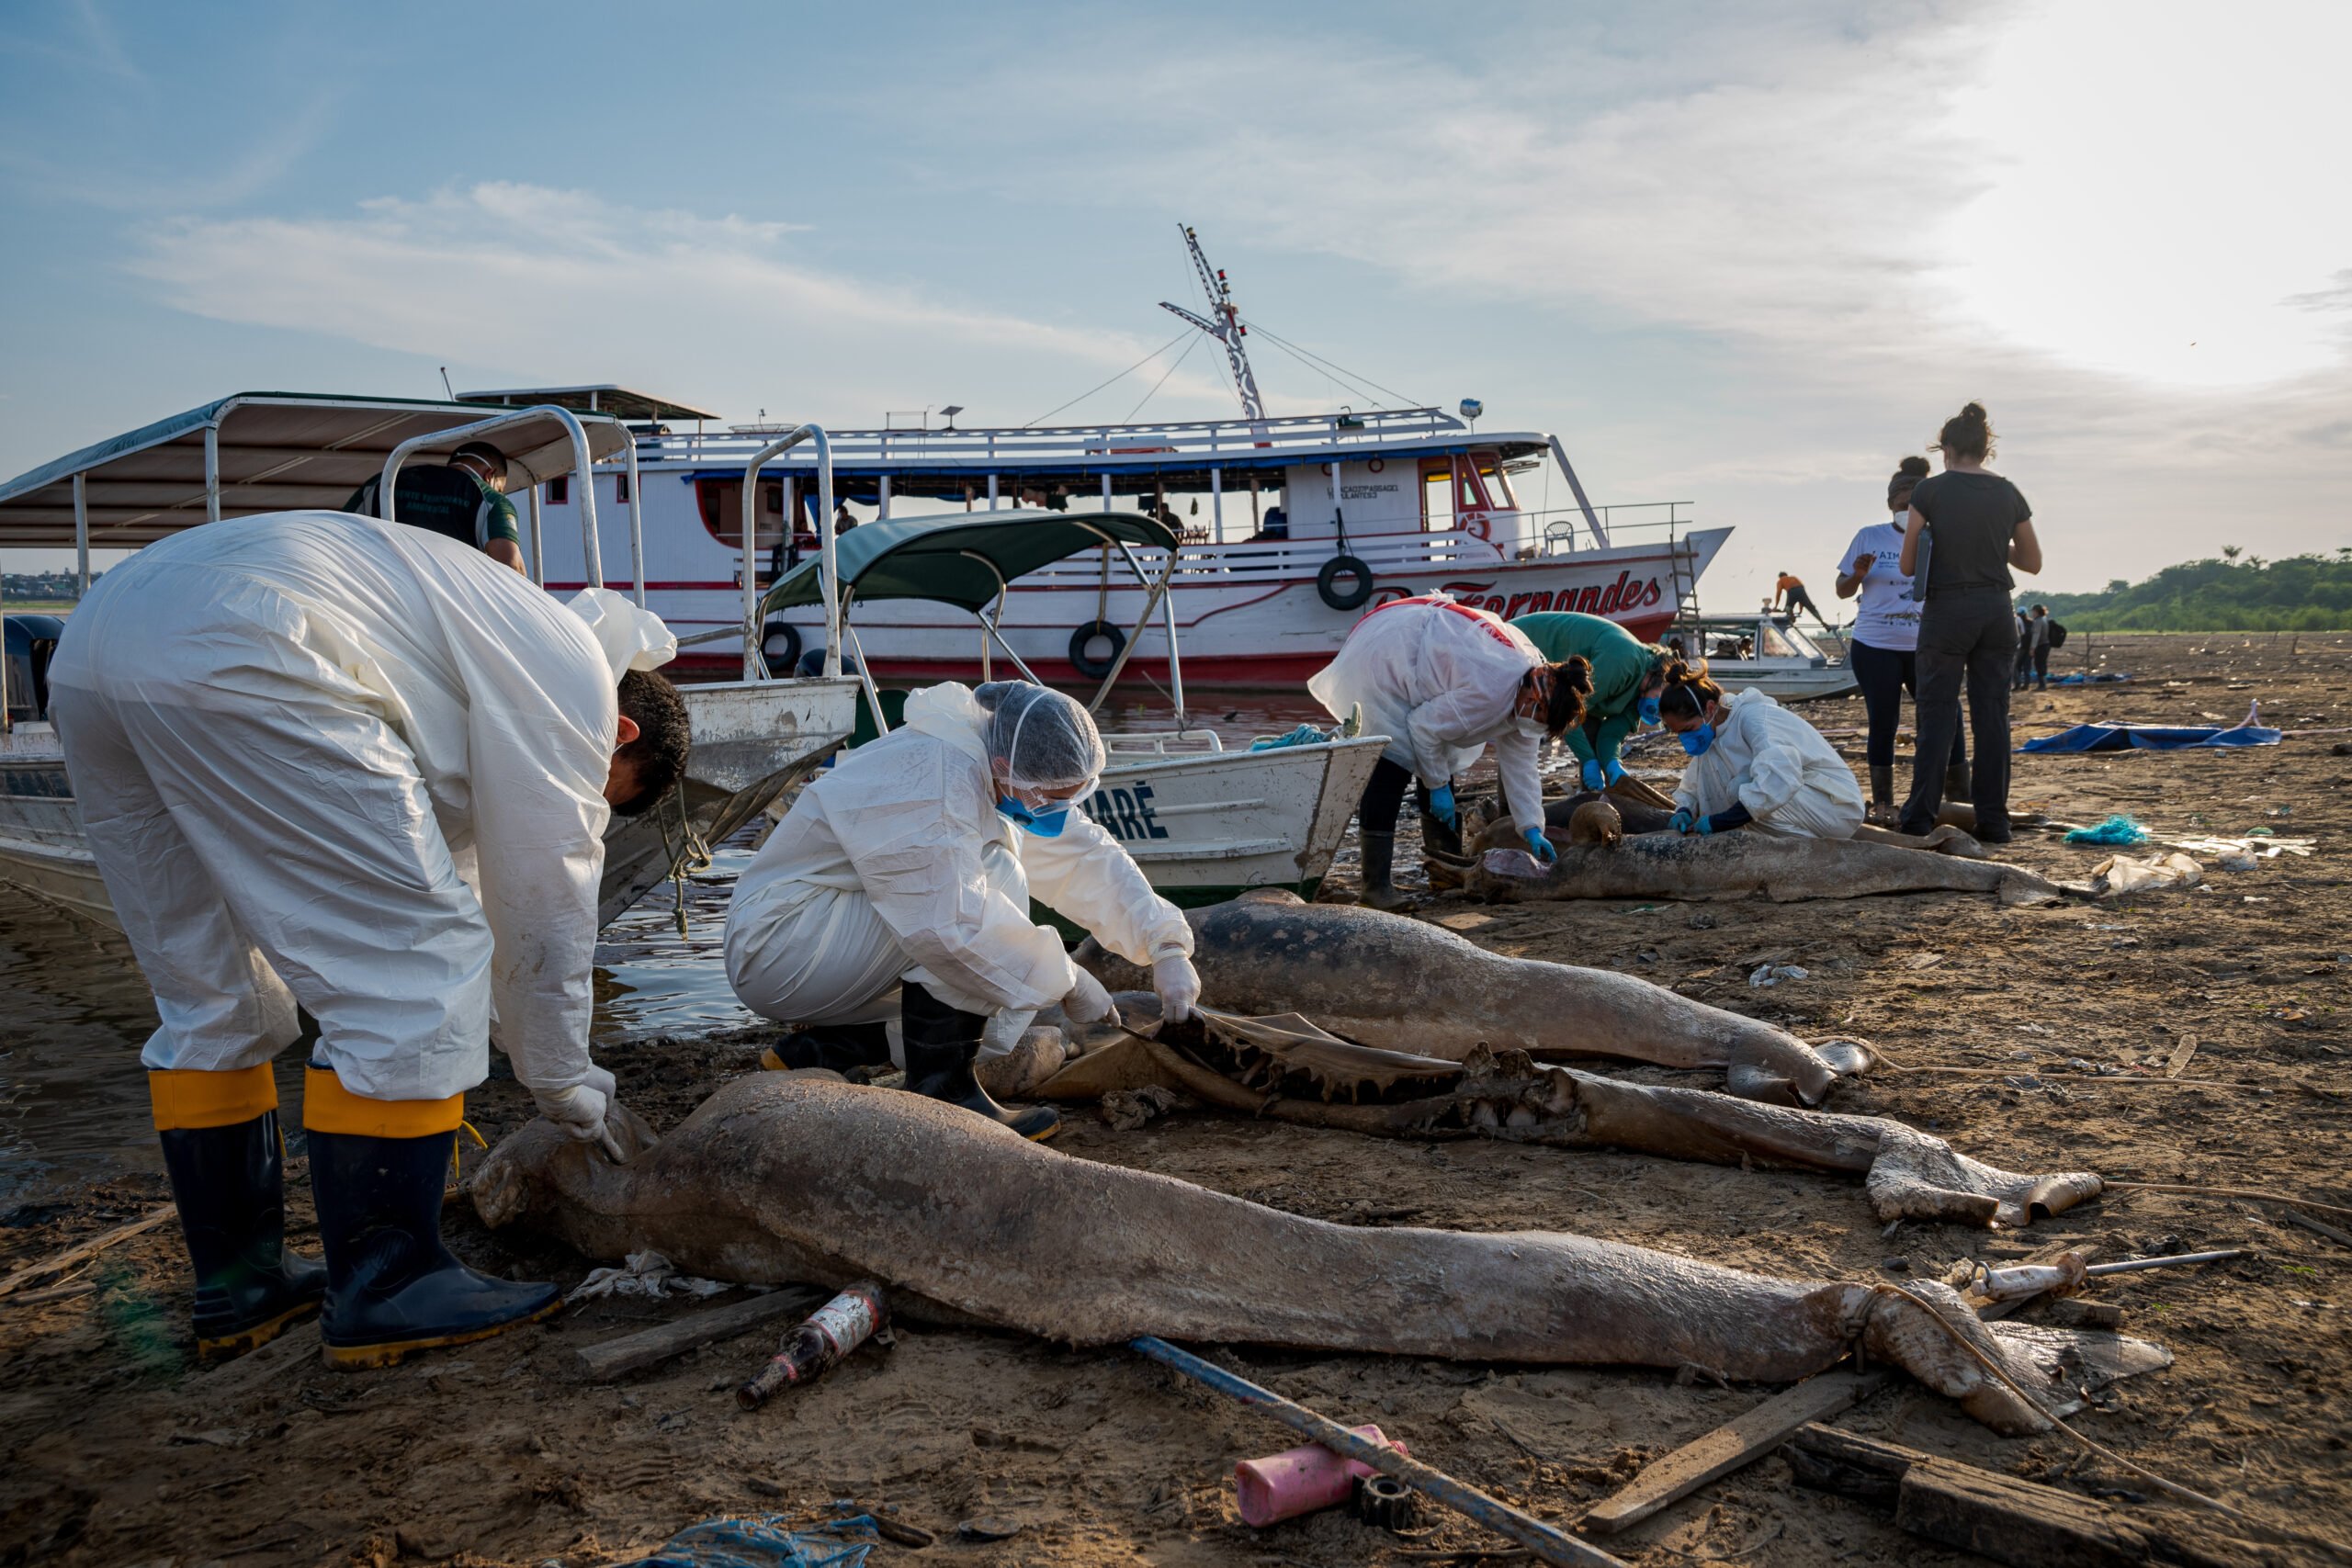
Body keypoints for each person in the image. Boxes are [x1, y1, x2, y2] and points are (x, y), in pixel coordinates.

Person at [48, 511, 690, 1366]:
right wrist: (565, 1082)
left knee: (214, 991)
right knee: (414, 971)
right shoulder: (570, 681)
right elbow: (545, 901)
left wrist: (524, 1039)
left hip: (100, 642)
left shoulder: (495, 643)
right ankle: (387, 1283)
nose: (587, 800)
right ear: (619, 735)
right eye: (605, 794)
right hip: (254, 642)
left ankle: (240, 1284)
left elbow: (471, 890)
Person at [724, 681, 1200, 1145]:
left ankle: (833, 1047)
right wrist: (1071, 980)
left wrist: (1167, 946)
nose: (1060, 809)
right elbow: (949, 923)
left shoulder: (997, 768)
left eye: (1071, 797)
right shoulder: (930, 778)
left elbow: (1084, 857)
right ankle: (945, 1091)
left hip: (824, 938)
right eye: (1054, 798)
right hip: (783, 946)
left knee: (1003, 950)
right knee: (997, 878)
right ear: (1003, 764)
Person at [1306, 593, 1592, 909]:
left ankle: (1444, 870)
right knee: (1393, 762)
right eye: (1539, 718)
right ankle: (1376, 888)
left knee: (1437, 765)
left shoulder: (1531, 691)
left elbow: (1521, 768)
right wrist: (1438, 785)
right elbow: (1422, 727)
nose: (1535, 726)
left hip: (1424, 656)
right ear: (1534, 698)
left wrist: (1532, 827)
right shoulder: (1491, 689)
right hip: (1387, 653)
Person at [1896, 401, 2041, 841]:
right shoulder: (2009, 492)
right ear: (1985, 448)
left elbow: (1907, 565)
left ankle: (1920, 817)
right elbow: (2032, 562)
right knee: (1993, 717)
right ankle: (1994, 822)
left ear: (1947, 449)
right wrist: (1996, 548)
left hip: (1948, 611)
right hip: (1997, 609)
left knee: (1937, 716)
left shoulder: (1930, 491)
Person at [1834, 455, 1967, 819]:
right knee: (1884, 721)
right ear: (1890, 504)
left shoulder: (1939, 535)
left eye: (1914, 504)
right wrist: (1857, 575)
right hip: (1875, 646)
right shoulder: (1869, 536)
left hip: (1927, 645)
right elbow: (1842, 590)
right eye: (1901, 504)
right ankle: (1883, 803)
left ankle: (1957, 796)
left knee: (1945, 715)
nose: (1907, 509)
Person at [1655, 663, 1865, 840]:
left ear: (1709, 708)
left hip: (1835, 807)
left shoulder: (1755, 718)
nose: (1685, 739)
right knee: (1726, 779)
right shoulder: (1714, 733)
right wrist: (1684, 810)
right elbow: (1695, 783)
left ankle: (1799, 848)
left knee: (1740, 787)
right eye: (1678, 733)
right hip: (1806, 804)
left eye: (1688, 729)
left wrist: (1721, 822)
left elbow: (1780, 779)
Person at [1509, 609, 1671, 792]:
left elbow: (1610, 735)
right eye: (1663, 701)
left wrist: (1613, 763)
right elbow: (1569, 711)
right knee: (1515, 737)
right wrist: (1588, 760)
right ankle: (1507, 812)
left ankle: (1590, 798)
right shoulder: (1622, 663)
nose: (1658, 711)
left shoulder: (1640, 695)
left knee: (1591, 732)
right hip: (1523, 645)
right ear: (1662, 677)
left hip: (1557, 684)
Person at [344, 441, 527, 574]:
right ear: (490, 475)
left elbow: (339, 531)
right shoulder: (491, 499)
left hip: (381, 594)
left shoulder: (383, 482)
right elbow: (512, 567)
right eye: (501, 488)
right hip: (450, 602)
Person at [2029, 604, 2053, 689]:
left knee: (2039, 664)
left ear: (2036, 611)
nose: (2032, 613)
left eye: (2033, 611)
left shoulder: (2038, 621)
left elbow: (2036, 634)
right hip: (2046, 645)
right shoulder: (2044, 619)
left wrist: (2032, 648)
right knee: (2042, 664)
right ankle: (2043, 684)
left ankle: (2042, 685)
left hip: (2041, 645)